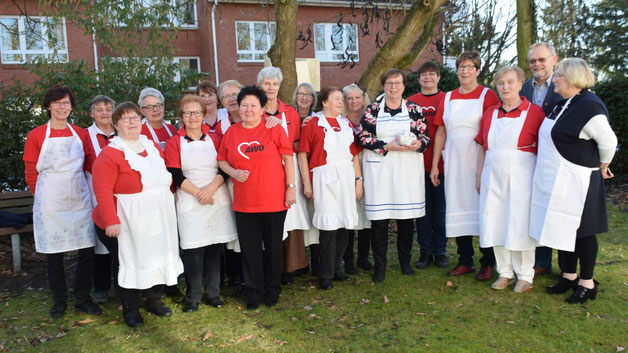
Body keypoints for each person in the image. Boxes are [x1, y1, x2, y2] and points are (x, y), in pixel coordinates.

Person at [530, 58, 617, 303]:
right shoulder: (564, 103)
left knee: (584, 231)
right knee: (562, 226)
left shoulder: (589, 105)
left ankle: (587, 282)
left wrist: (604, 165)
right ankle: (568, 275)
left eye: (558, 75)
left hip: (580, 179)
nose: (554, 79)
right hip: (559, 179)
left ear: (574, 78)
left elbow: (608, 141)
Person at [92, 102, 184, 327]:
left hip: (156, 216)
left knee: (155, 256)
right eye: (126, 118)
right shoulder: (110, 153)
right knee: (129, 262)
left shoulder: (151, 146)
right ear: (115, 124)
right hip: (125, 218)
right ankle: (131, 310)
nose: (132, 122)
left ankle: (154, 300)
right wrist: (111, 221)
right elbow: (102, 190)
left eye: (135, 117)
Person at [23, 85, 101, 318]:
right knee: (54, 253)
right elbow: (30, 171)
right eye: (57, 103)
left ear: (71, 106)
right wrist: (42, 198)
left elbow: (89, 165)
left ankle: (82, 297)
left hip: (79, 197)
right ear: (48, 106)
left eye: (66, 103)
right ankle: (59, 300)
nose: (61, 107)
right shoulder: (36, 135)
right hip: (51, 201)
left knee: (86, 250)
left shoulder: (81, 133)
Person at [217, 85, 296, 309]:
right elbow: (222, 160)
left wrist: (291, 187)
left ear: (262, 108)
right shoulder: (231, 132)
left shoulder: (274, 128)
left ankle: (272, 289)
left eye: (253, 105)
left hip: (273, 200)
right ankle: (254, 291)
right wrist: (233, 173)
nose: (248, 110)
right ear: (238, 108)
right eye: (244, 105)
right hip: (245, 203)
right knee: (250, 250)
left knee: (273, 248)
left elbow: (288, 158)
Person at [475, 66, 545, 293]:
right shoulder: (490, 114)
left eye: (510, 82)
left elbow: (544, 149)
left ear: (520, 84)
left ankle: (525, 275)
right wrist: (479, 174)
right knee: (495, 220)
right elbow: (483, 148)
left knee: (520, 222)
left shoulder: (534, 112)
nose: (505, 87)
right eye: (501, 82)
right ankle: (504, 271)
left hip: (522, 175)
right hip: (492, 173)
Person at [431, 51, 500, 281]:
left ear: (478, 71)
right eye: (461, 66)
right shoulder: (448, 97)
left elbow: (493, 128)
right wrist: (434, 165)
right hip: (454, 160)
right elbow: (441, 130)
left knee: (482, 209)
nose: (465, 70)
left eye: (470, 66)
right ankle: (465, 260)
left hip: (479, 159)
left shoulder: (488, 95)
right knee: (458, 207)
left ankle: (488, 261)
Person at [165, 95, 238, 312]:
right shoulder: (173, 142)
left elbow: (223, 168)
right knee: (193, 251)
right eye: (187, 113)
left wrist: (210, 190)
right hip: (189, 198)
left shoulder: (216, 138)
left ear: (203, 114)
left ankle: (213, 293)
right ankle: (193, 296)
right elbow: (175, 174)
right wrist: (199, 193)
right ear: (181, 116)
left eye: (197, 112)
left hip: (216, 196)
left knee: (215, 248)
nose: (193, 117)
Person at [357, 69, 430, 283]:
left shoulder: (415, 110)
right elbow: (362, 136)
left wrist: (418, 144)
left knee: (406, 219)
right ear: (383, 86)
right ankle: (380, 266)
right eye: (389, 83)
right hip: (380, 169)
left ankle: (405, 262)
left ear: (404, 86)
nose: (393, 87)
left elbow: (425, 136)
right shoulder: (372, 110)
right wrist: (385, 146)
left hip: (406, 168)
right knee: (379, 221)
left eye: (397, 83)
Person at [299, 87, 362, 290]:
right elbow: (302, 154)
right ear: (324, 102)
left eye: (340, 99)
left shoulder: (346, 124)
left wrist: (358, 180)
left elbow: (354, 155)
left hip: (345, 177)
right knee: (328, 228)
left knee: (344, 225)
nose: (340, 102)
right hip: (323, 178)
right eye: (336, 99)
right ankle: (324, 275)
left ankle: (337, 269)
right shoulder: (314, 124)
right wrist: (307, 183)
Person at [258, 66, 310, 285]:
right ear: (260, 85)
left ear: (280, 86)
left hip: (289, 171)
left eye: (274, 83)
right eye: (267, 83)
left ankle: (290, 267)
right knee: (269, 220)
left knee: (291, 218)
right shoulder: (255, 111)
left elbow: (297, 142)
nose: (271, 87)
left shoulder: (289, 112)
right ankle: (271, 268)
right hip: (265, 173)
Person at [520, 42, 564, 276]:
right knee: (531, 205)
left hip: (553, 154)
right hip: (527, 156)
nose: (536, 64)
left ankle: (545, 261)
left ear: (553, 59)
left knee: (548, 206)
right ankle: (530, 255)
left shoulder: (562, 86)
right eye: (532, 61)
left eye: (541, 60)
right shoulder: (524, 88)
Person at [407, 61, 448, 270]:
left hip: (441, 165)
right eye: (423, 75)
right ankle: (425, 251)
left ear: (439, 77)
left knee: (440, 210)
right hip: (416, 166)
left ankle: (440, 251)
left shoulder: (447, 99)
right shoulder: (410, 102)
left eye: (432, 74)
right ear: (419, 78)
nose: (428, 78)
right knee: (421, 212)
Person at [84, 95, 117, 304]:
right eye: (99, 109)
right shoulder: (85, 135)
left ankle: (125, 283)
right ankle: (102, 287)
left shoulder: (122, 132)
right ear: (91, 113)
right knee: (101, 244)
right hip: (96, 195)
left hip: (121, 195)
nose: (104, 113)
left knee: (122, 242)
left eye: (108, 108)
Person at [341, 83, 374, 273]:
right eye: (350, 98)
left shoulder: (370, 119)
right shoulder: (341, 121)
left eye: (357, 97)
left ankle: (363, 258)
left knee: (367, 214)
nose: (354, 101)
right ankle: (348, 260)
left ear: (363, 99)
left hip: (369, 167)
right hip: (348, 170)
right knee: (350, 213)